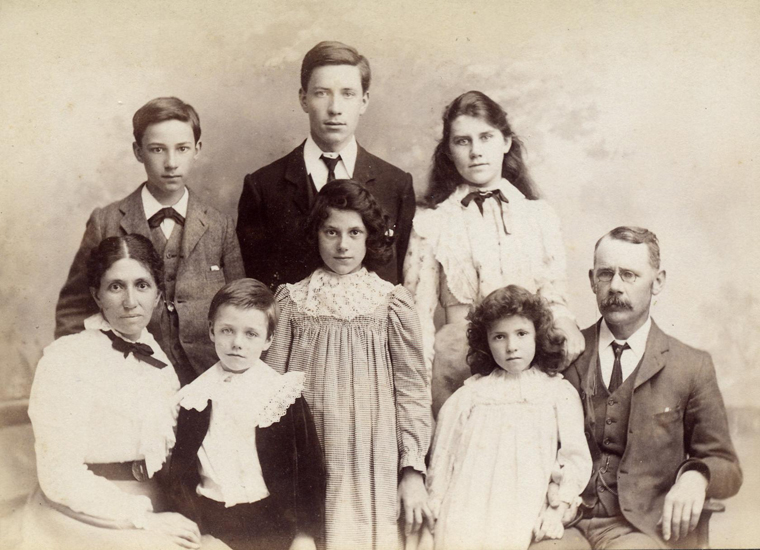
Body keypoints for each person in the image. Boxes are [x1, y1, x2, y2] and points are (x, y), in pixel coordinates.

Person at [531, 226, 743, 550]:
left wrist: (696, 476)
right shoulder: (565, 355)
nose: (615, 286)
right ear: (592, 280)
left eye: (629, 275)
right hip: (564, 522)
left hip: (641, 529)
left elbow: (726, 465)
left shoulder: (691, 365)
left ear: (657, 282)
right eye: (605, 274)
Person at [265, 180, 432, 550]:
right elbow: (269, 391)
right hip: (310, 451)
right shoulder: (292, 302)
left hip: (373, 454)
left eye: (354, 232)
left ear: (369, 237)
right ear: (315, 234)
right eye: (331, 232)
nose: (343, 245)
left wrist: (412, 469)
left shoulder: (391, 303)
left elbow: (412, 391)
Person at [403, 90, 584, 415]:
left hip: (525, 361)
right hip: (460, 366)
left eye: (486, 137)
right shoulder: (432, 222)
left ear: (506, 142)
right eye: (462, 141)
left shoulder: (539, 215)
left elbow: (553, 295)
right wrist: (417, 403)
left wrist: (566, 322)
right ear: (449, 151)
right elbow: (417, 319)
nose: (475, 151)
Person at [24, 235, 202, 550]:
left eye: (142, 285)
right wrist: (142, 517)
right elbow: (59, 474)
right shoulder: (67, 358)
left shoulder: (158, 360)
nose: (130, 301)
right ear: (97, 295)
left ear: (158, 296)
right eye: (116, 286)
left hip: (156, 502)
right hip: (88, 511)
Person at [55, 97, 245, 385]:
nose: (171, 163)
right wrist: (85, 373)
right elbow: (73, 311)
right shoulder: (106, 222)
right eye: (157, 149)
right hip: (131, 379)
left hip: (209, 378)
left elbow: (240, 309)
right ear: (138, 151)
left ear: (197, 150)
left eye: (182, 149)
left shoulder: (220, 226)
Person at [416, 285, 591, 550]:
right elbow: (443, 459)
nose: (511, 347)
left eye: (521, 334)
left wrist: (557, 508)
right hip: (466, 505)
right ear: (486, 342)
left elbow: (574, 458)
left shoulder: (556, 393)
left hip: (522, 507)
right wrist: (435, 504)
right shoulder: (470, 396)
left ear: (538, 335)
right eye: (499, 337)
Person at [237, 40, 416, 290]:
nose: (334, 108)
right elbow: (255, 287)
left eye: (348, 94)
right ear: (303, 99)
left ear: (364, 101)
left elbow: (401, 279)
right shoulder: (263, 187)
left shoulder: (396, 184)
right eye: (322, 93)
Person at [165, 278, 326, 550]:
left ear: (268, 339)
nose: (237, 343)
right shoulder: (195, 396)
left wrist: (305, 533)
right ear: (212, 331)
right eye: (227, 330)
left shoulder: (282, 395)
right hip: (211, 523)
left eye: (251, 333)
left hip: (272, 524)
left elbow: (310, 469)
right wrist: (196, 529)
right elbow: (181, 474)